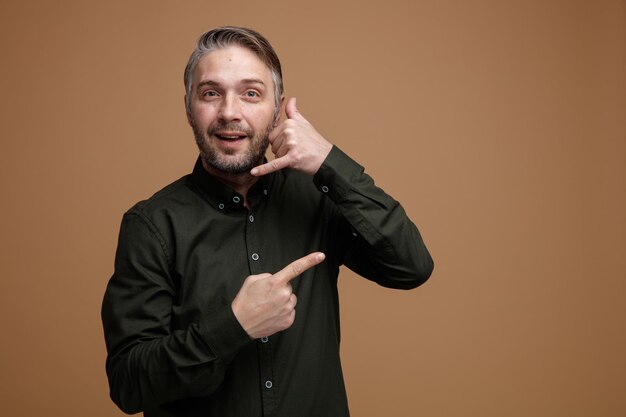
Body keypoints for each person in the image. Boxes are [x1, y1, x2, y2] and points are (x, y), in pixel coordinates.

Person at [101, 26, 434, 417]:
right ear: (189, 107)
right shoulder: (152, 225)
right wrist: (233, 327)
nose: (229, 112)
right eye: (210, 93)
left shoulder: (317, 198)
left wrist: (329, 163)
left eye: (250, 93)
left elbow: (411, 266)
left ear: (277, 110)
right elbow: (129, 384)